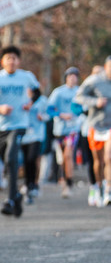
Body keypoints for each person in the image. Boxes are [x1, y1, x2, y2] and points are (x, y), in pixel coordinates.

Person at [0, 45, 40, 218]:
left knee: (11, 158)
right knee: (7, 161)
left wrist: (30, 103)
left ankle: (9, 200)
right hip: (0, 127)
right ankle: (16, 196)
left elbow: (37, 92)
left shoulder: (26, 77)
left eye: (14, 58)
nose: (11, 61)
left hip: (20, 124)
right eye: (8, 58)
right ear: (2, 61)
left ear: (18, 61)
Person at [74, 58, 111, 206]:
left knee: (109, 157)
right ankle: (98, 185)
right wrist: (96, 102)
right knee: (98, 162)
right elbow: (78, 97)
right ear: (106, 67)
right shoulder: (94, 80)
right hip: (96, 126)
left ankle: (108, 189)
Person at [47, 67, 82, 198]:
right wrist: (61, 115)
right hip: (60, 129)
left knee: (68, 155)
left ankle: (69, 183)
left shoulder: (80, 92)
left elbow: (83, 108)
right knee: (62, 158)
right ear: (66, 78)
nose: (72, 79)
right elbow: (49, 109)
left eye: (75, 76)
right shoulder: (58, 92)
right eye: (70, 76)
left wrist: (75, 113)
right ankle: (64, 179)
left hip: (73, 129)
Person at [21, 86, 49, 202]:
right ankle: (27, 183)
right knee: (26, 160)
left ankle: (33, 183)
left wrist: (43, 117)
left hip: (37, 134)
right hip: (23, 134)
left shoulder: (42, 100)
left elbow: (49, 113)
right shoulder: (21, 98)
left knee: (33, 158)